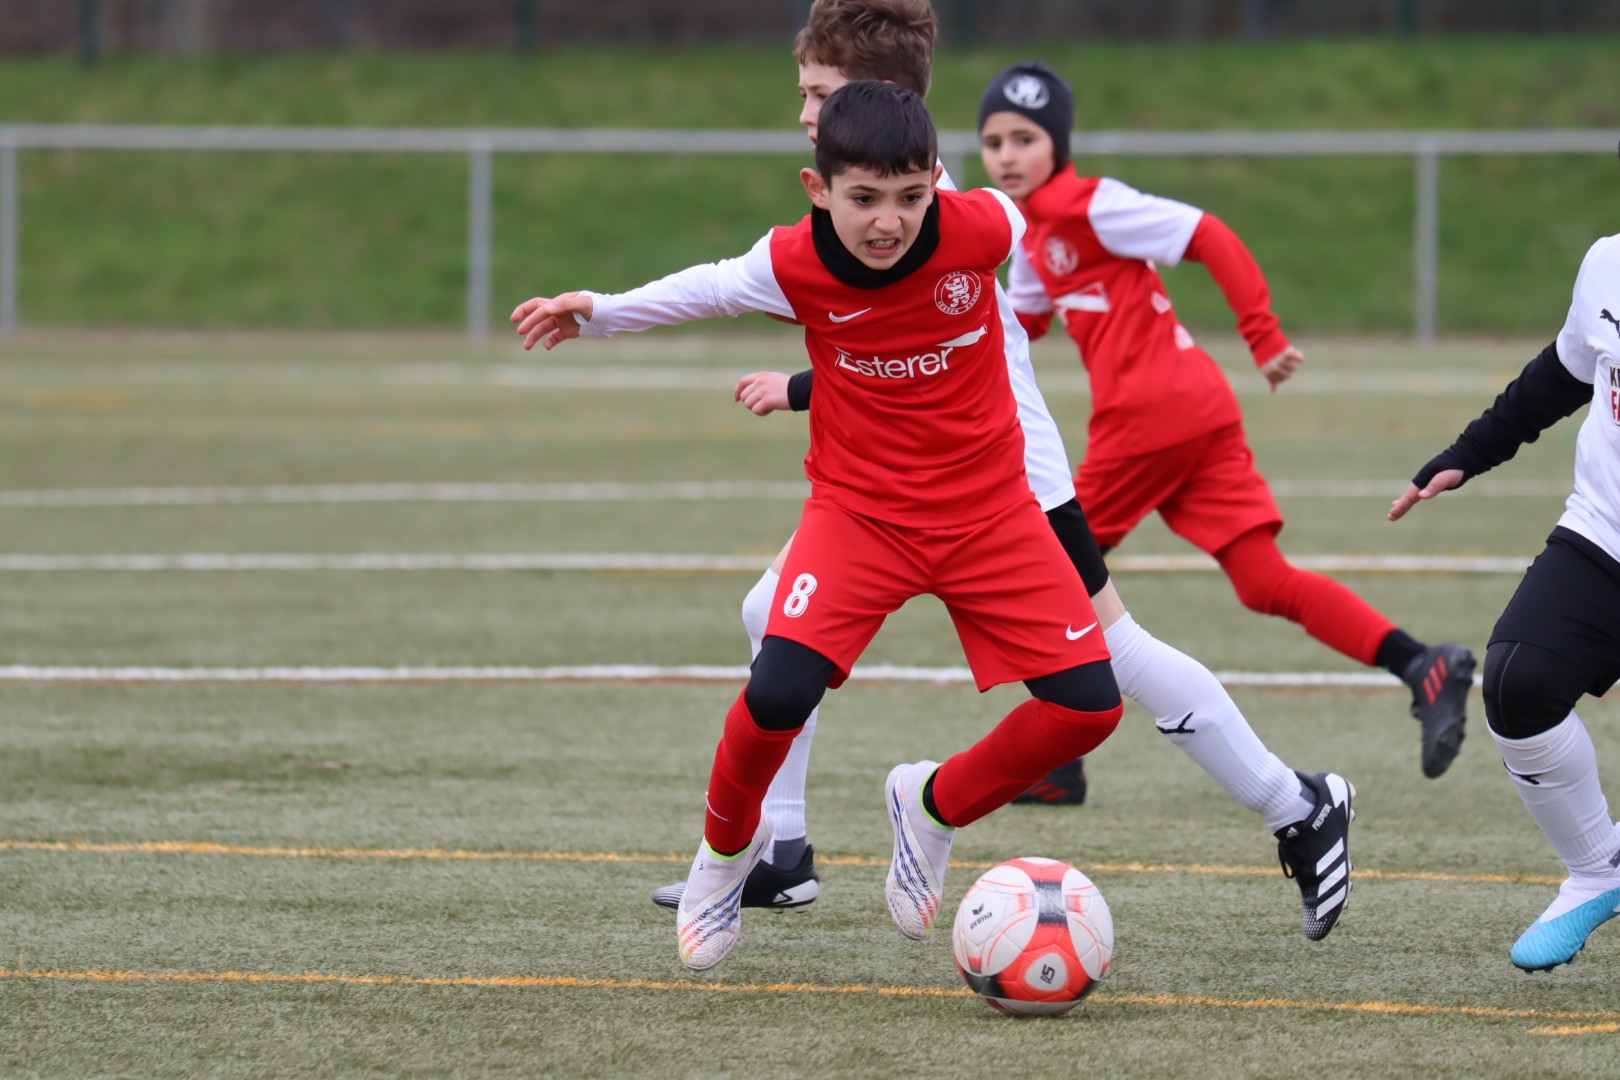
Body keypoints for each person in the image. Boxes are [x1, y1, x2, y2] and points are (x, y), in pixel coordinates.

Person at [655, 0, 1355, 946]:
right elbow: (903, 344)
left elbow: (936, 338)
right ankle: (782, 851)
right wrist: (808, 385)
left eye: (818, 93)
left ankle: (1294, 803)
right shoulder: (886, 203)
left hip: (1008, 475)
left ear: (879, 100)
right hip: (923, 473)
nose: (805, 112)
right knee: (768, 614)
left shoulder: (922, 206)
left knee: (1112, 660)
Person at [515, 82, 1129, 971]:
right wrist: (603, 313)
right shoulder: (791, 261)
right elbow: (708, 288)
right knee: (776, 693)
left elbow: (997, 268)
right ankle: (722, 862)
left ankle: (931, 805)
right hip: (862, 516)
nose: (889, 222)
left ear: (936, 182)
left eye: (911, 196)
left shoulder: (985, 227)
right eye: (864, 198)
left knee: (1089, 706)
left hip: (992, 513)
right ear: (819, 189)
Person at [979, 59, 1477, 780]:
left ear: (1059, 144)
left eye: (1025, 139)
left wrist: (1262, 333)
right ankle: (1421, 663)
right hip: (1197, 411)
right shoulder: (1028, 234)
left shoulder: (1092, 204)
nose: (1006, 156)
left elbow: (1208, 232)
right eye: (994, 142)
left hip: (1149, 418)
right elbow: (1018, 324)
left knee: (1051, 568)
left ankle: (1059, 762)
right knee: (1263, 580)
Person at [1390, 230, 1620, 972]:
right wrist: (1469, 453)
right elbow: (1562, 374)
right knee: (1520, 681)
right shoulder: (1609, 262)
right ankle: (1598, 870)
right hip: (1606, 532)